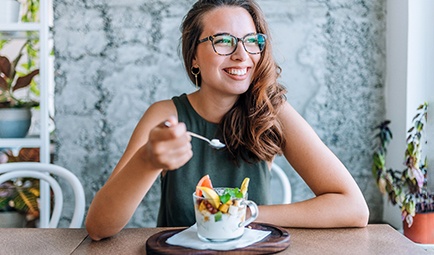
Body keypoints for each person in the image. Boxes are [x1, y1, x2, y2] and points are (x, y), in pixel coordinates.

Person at [86, 0, 369, 241]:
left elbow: (354, 208)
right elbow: (99, 228)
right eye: (223, 41)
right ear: (193, 57)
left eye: (251, 41)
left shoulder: (271, 111)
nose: (242, 55)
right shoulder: (166, 115)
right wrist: (146, 161)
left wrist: (247, 212)